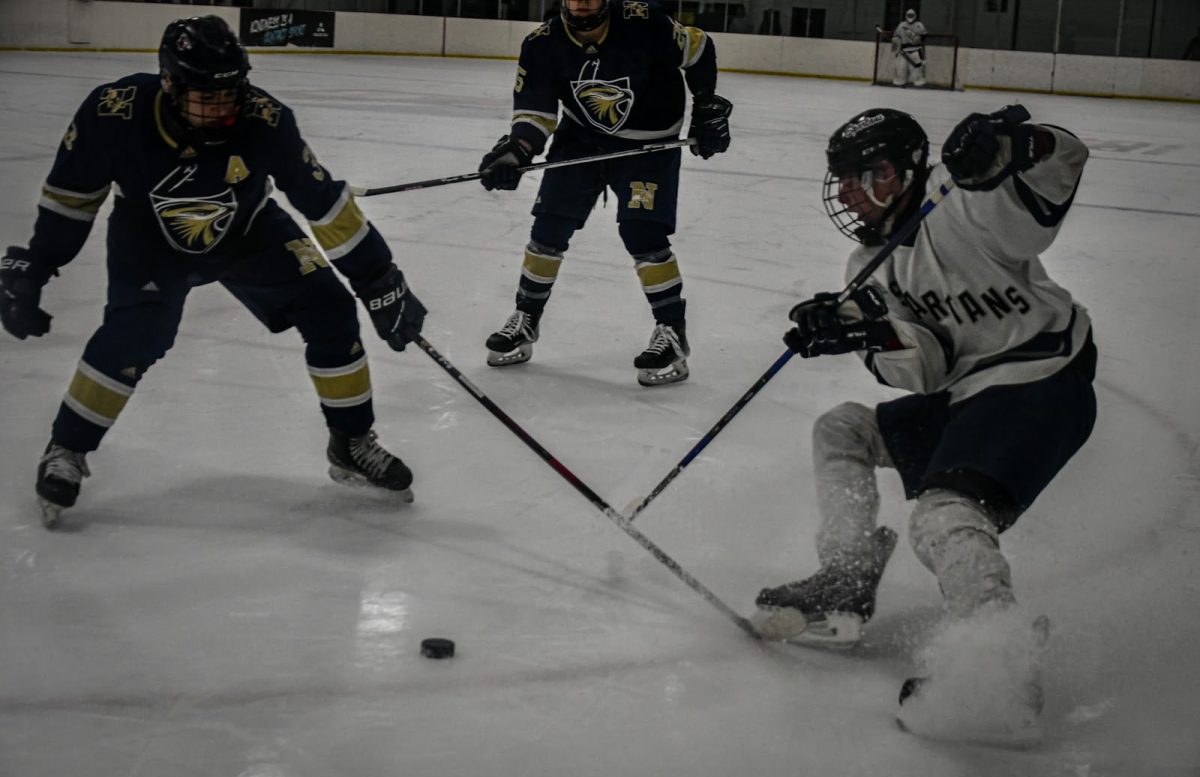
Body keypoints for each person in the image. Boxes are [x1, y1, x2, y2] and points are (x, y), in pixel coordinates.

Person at [0, 16, 427, 527]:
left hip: (248, 228)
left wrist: (380, 279)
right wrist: (38, 263)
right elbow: (72, 199)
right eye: (206, 97)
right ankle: (66, 448)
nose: (222, 108)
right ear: (169, 85)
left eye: (230, 95)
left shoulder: (266, 119)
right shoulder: (112, 112)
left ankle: (352, 442)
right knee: (135, 334)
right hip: (149, 237)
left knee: (330, 307)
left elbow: (323, 203)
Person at [752, 106, 1096, 736]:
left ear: (908, 168)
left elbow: (1062, 166)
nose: (853, 191)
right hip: (967, 392)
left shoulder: (963, 198)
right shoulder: (865, 264)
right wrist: (856, 329)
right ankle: (847, 576)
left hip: (1040, 378)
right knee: (842, 429)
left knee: (943, 516)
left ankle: (999, 659)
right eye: (846, 179)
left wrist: (1011, 148)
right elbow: (926, 371)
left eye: (868, 174)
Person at [476, 0, 732, 386]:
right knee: (549, 226)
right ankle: (526, 318)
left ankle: (672, 330)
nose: (582, 5)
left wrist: (707, 106)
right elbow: (536, 110)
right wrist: (517, 150)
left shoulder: (646, 22)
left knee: (642, 233)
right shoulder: (542, 43)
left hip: (649, 145)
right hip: (581, 139)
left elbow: (699, 48)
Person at [892, 9, 927, 87]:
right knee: (901, 67)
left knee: (917, 69)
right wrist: (896, 50)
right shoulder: (901, 25)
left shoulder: (919, 25)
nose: (910, 17)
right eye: (909, 15)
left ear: (915, 16)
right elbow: (896, 37)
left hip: (916, 49)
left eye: (911, 15)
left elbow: (924, 36)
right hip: (903, 51)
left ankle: (919, 82)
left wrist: (917, 39)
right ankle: (900, 81)